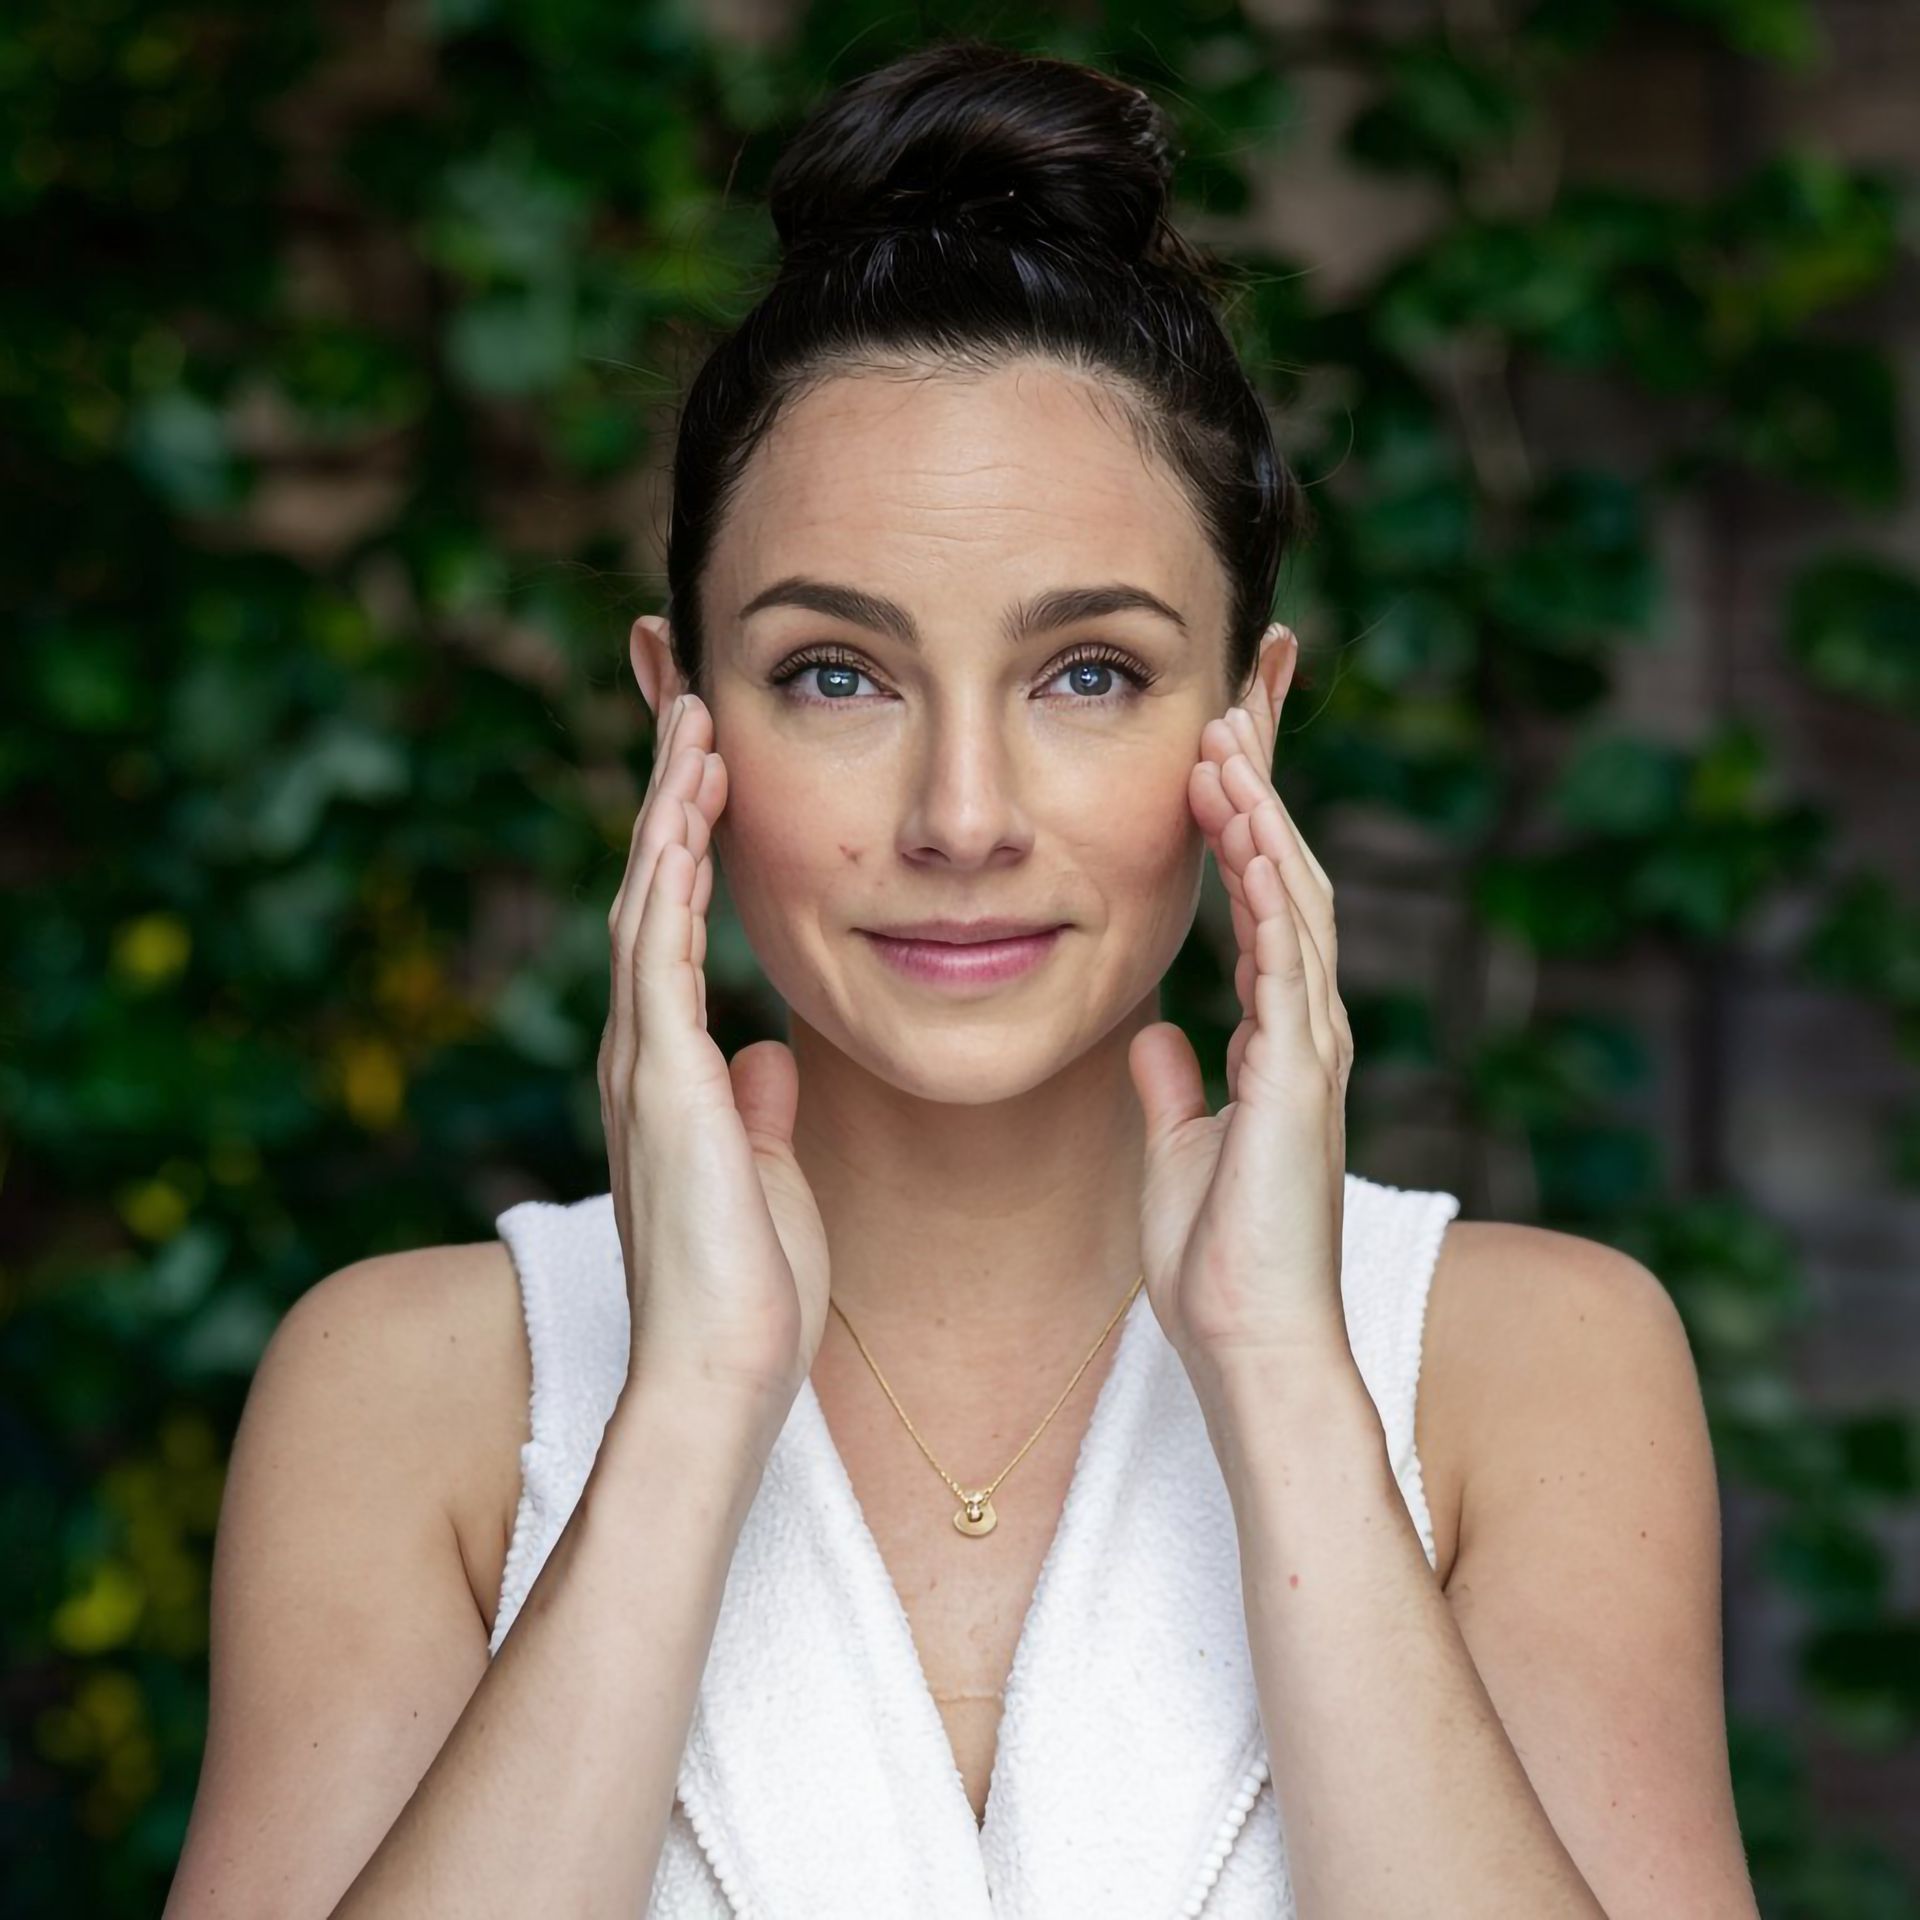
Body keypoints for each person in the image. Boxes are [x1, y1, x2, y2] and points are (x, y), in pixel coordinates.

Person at [166, 36, 1758, 1920]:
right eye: (838, 673)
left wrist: (1284, 1383)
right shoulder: (413, 1393)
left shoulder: (1534, 1369)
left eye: (1088, 671)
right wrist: (684, 1407)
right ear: (683, 718)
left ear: (1245, 716)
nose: (963, 815)